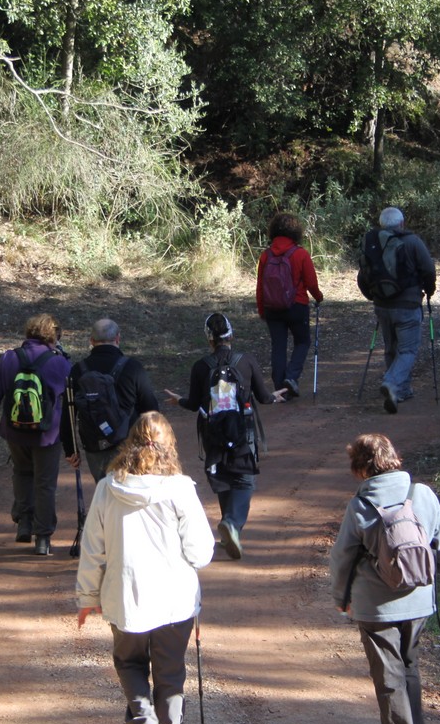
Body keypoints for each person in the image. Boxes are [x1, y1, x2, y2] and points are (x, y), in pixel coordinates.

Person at [75, 412, 214, 724]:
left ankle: (144, 723)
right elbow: (201, 552)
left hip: (125, 596)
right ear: (169, 446)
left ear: (130, 443)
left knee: (130, 663)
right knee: (170, 674)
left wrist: (87, 596)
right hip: (175, 599)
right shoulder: (181, 488)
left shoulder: (107, 488)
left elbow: (92, 549)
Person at [328, 433, 440, 724]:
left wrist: (341, 597)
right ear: (393, 458)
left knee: (389, 681)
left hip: (375, 608)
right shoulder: (422, 495)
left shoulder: (360, 505)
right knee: (409, 672)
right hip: (418, 600)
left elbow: (342, 558)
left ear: (361, 468)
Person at [164, 312, 284, 560]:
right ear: (231, 335)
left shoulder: (201, 366)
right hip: (242, 430)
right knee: (245, 480)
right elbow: (263, 396)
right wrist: (274, 397)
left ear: (209, 339)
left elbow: (194, 403)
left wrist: (179, 400)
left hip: (212, 430)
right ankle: (232, 523)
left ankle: (229, 529)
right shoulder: (246, 361)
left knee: (224, 476)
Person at [0, 313, 71, 556]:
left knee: (21, 472)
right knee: (45, 483)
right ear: (53, 336)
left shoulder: (10, 357)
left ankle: (24, 523)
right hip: (47, 434)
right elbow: (71, 396)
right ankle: (43, 538)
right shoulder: (59, 363)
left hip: (15, 430)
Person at [357, 207, 437, 414]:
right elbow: (428, 269)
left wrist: (372, 296)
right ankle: (392, 382)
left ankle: (402, 390)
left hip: (382, 305)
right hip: (407, 304)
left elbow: (362, 274)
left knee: (391, 348)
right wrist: (429, 290)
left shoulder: (373, 243)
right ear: (402, 223)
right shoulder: (412, 242)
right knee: (407, 350)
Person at [60, 318, 161, 483]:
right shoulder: (133, 367)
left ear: (92, 341)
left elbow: (68, 412)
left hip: (94, 445)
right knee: (132, 490)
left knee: (104, 491)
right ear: (118, 338)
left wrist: (70, 449)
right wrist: (154, 442)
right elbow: (151, 409)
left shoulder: (78, 370)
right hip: (130, 443)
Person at [256, 212, 324, 398]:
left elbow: (260, 285)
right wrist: (318, 297)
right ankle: (291, 377)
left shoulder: (265, 256)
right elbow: (311, 283)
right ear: (296, 231)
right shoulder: (300, 254)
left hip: (272, 308)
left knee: (278, 346)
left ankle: (280, 389)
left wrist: (262, 310)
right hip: (296, 306)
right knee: (302, 342)